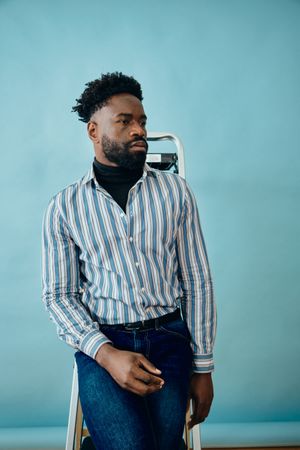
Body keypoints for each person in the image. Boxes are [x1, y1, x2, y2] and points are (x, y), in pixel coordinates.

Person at [42, 72, 216, 450]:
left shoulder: (176, 193)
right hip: (104, 339)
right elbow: (59, 295)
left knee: (164, 443)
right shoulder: (64, 207)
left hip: (169, 338)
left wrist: (203, 368)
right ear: (93, 131)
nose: (139, 130)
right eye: (125, 121)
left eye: (142, 121)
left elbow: (197, 282)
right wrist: (105, 355)